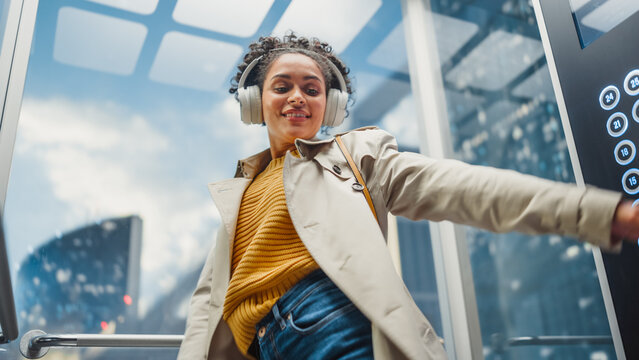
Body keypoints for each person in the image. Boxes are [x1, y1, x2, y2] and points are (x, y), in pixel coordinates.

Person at [177, 33, 639, 360]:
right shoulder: (239, 195)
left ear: (329, 106)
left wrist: (600, 212)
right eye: (283, 86)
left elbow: (465, 189)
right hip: (261, 346)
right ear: (256, 103)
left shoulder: (355, 154)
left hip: (326, 322)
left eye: (312, 89)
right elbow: (205, 307)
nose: (298, 96)